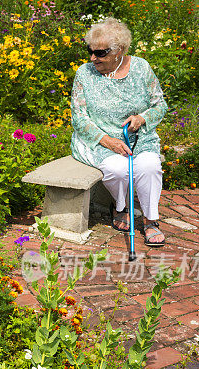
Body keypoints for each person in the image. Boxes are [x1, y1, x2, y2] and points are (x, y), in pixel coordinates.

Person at [70, 17, 168, 247]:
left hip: (138, 137)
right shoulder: (84, 74)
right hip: (98, 140)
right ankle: (120, 205)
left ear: (120, 50)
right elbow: (78, 117)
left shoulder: (141, 68)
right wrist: (107, 141)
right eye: (90, 51)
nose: (93, 58)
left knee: (149, 166)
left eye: (101, 53)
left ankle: (151, 220)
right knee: (118, 169)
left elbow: (160, 105)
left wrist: (143, 118)